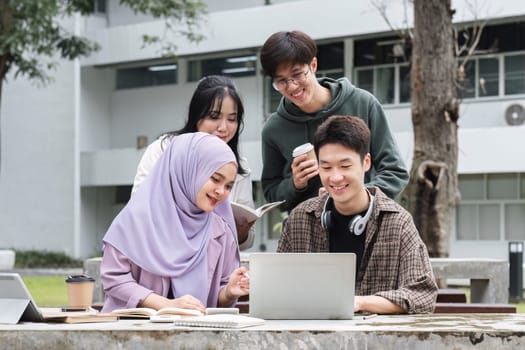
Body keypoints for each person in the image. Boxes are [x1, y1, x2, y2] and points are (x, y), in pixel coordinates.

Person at [277, 116, 437, 314]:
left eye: (345, 166)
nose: (335, 177)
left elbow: (422, 295)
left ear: (366, 162)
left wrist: (359, 303)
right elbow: (279, 287)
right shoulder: (300, 219)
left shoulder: (398, 221)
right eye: (326, 167)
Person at [260, 30, 409, 212]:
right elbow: (271, 194)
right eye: (281, 81)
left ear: (313, 65)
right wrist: (295, 184)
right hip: (306, 233)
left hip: (363, 224)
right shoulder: (274, 129)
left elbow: (395, 172)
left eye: (297, 74)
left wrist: (355, 198)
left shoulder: (363, 103)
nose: (292, 86)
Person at [101, 132, 249, 313]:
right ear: (187, 170)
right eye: (215, 179)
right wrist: (165, 304)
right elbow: (114, 278)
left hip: (194, 336)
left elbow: (213, 300)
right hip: (136, 333)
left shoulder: (220, 229)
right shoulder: (135, 220)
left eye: (228, 186)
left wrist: (228, 292)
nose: (221, 192)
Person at [132, 75, 255, 250]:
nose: (223, 127)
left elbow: (247, 241)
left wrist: (242, 233)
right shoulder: (163, 150)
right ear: (196, 115)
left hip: (214, 263)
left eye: (232, 119)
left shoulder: (239, 165)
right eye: (214, 116)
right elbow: (139, 211)